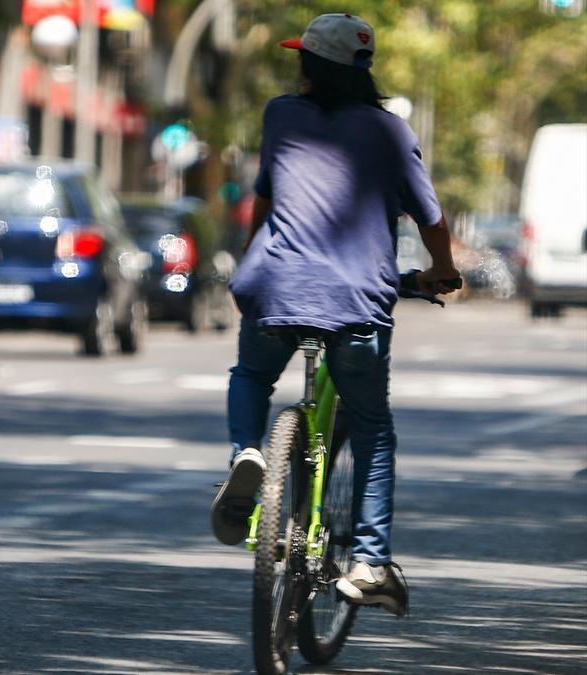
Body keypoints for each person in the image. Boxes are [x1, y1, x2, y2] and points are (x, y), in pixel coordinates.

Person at [208, 13, 460, 616]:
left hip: (275, 287)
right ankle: (370, 562)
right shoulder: (392, 132)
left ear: (308, 65)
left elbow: (265, 199)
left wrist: (251, 262)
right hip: (355, 300)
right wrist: (442, 270)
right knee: (371, 426)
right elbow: (431, 220)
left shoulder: (280, 115)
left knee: (251, 376)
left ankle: (247, 451)